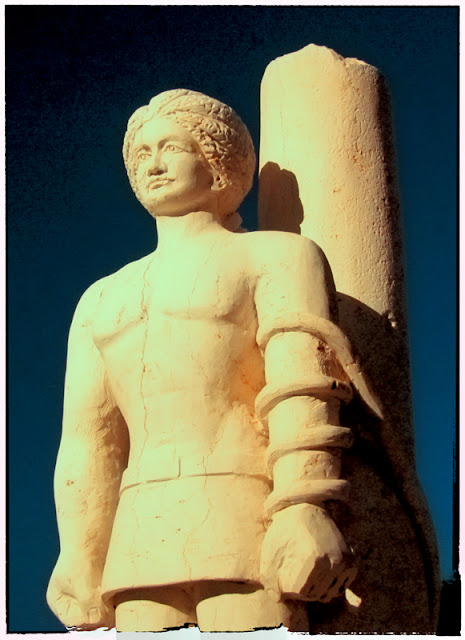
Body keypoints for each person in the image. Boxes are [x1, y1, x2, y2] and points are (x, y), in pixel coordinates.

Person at [47, 89, 377, 632]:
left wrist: (306, 507)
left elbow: (302, 385)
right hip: (138, 530)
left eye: (171, 147)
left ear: (218, 162)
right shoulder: (99, 299)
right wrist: (79, 553)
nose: (152, 164)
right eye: (141, 153)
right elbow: (88, 441)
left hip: (245, 511)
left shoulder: (276, 255)